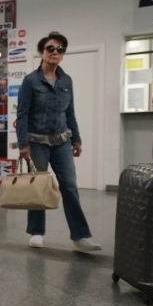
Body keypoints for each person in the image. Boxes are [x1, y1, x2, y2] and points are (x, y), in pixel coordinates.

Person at [16, 32, 101, 252]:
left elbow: (70, 112)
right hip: (37, 143)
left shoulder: (66, 80)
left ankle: (81, 237)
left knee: (70, 187)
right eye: (51, 48)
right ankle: (36, 232)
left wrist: (77, 138)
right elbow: (22, 114)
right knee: (39, 187)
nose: (56, 52)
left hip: (62, 141)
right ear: (42, 52)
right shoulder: (31, 81)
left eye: (60, 49)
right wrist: (23, 144)